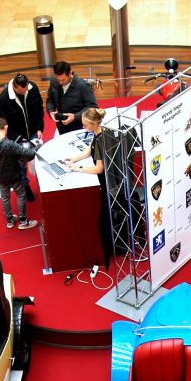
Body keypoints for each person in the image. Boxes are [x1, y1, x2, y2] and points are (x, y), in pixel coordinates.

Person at [61, 106, 114, 268]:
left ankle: (107, 251)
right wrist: (74, 159)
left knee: (103, 219)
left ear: (93, 123)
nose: (83, 127)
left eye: (85, 125)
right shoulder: (100, 133)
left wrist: (78, 169)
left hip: (107, 184)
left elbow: (99, 168)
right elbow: (89, 150)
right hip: (109, 181)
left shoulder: (100, 140)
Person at [0, 72, 44, 201]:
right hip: (17, 138)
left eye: (26, 89)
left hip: (34, 133)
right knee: (20, 166)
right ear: (15, 87)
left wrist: (40, 127)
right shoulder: (3, 99)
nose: (24, 93)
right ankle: (25, 186)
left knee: (40, 159)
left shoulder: (33, 88)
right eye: (21, 92)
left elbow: (39, 109)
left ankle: (42, 184)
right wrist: (18, 138)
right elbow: (2, 123)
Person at [0, 117, 38, 230]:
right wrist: (36, 147)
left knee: (4, 197)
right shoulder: (10, 144)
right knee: (21, 195)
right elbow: (29, 153)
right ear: (6, 127)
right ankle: (23, 222)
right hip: (14, 174)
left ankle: (9, 220)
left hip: (0, 175)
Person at [45, 61, 97, 135]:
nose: (60, 83)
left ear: (70, 73)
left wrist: (75, 116)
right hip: (62, 128)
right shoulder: (53, 82)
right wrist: (51, 111)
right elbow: (50, 100)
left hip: (80, 127)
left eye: (63, 79)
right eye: (58, 79)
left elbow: (92, 107)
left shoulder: (83, 85)